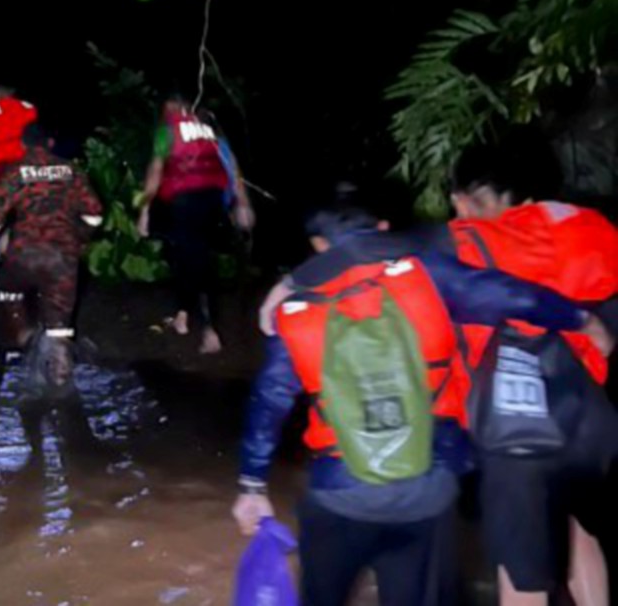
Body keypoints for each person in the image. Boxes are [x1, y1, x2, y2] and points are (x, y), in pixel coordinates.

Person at [232, 190, 609, 606]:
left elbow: (269, 401)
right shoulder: (428, 275)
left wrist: (252, 485)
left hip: (340, 494)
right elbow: (514, 296)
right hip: (428, 492)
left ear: (316, 246)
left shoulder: (296, 309)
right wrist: (581, 318)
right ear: (382, 229)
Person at [447, 141, 618, 606]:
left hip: (516, 431)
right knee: (580, 536)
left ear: (466, 199)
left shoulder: (464, 243)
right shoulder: (591, 227)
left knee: (522, 574)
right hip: (590, 423)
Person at [0, 124, 102, 387]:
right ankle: (60, 381)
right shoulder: (71, 170)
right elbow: (95, 214)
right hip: (62, 258)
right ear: (49, 143)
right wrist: (78, 237)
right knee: (59, 323)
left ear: (23, 145)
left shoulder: (15, 172)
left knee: (8, 293)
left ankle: (25, 340)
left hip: (23, 254)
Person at [137, 97, 254, 354]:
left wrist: (144, 209)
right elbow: (232, 166)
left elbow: (156, 170)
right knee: (186, 254)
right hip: (212, 202)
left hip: (185, 201)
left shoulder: (167, 132)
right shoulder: (208, 129)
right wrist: (242, 203)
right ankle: (184, 312)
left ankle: (209, 330)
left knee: (195, 262)